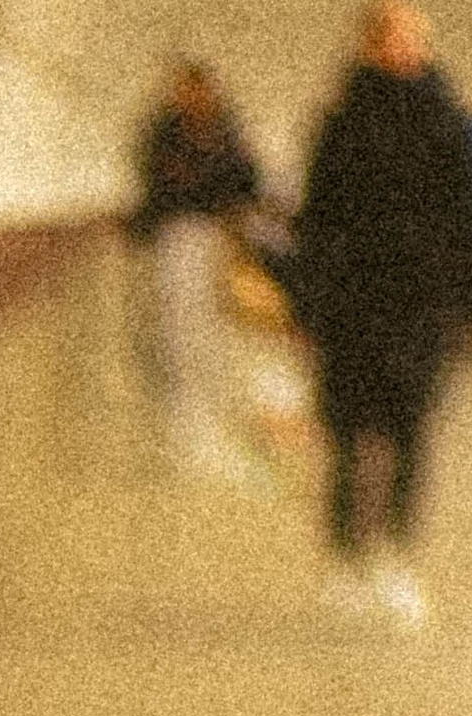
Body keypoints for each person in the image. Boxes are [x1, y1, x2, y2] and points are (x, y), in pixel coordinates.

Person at [296, 3, 472, 627]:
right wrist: (309, 302)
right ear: (368, 45)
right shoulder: (339, 123)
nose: (402, 47)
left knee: (411, 433)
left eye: (412, 36)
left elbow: (469, 218)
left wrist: (468, 298)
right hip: (353, 301)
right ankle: (347, 562)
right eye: (391, 37)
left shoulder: (449, 124)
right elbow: (317, 218)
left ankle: (399, 564)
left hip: (419, 304)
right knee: (349, 436)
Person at [127, 59, 268, 480]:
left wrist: (205, 183)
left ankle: (210, 422)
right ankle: (184, 425)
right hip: (175, 236)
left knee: (209, 330)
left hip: (215, 236)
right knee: (177, 329)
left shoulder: (226, 130)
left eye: (199, 89)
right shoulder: (164, 130)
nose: (193, 97)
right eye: (186, 89)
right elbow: (157, 181)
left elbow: (248, 179)